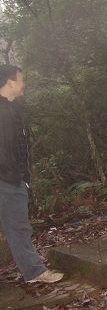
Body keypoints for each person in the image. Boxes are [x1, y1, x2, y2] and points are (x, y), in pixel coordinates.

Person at [0, 65, 64, 283]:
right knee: (18, 228)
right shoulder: (3, 112)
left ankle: (32, 271)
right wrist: (14, 177)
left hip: (12, 179)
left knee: (18, 227)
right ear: (10, 83)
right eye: (21, 80)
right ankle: (35, 272)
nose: (23, 84)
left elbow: (20, 146)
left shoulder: (13, 109)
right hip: (7, 181)